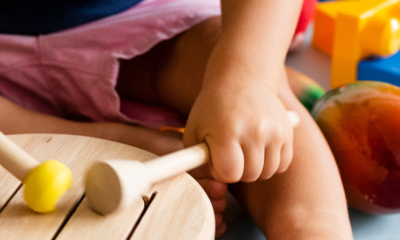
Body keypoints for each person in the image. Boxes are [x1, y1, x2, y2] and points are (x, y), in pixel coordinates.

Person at [0, 0, 354, 238]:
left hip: (141, 18)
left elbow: (247, 77)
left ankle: (315, 229)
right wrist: (129, 142)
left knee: (246, 89)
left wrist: (247, 76)